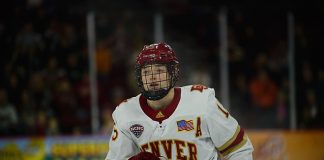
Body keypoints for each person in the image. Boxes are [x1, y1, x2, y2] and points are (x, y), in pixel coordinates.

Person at [105, 43, 254, 160]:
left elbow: (238, 148)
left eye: (159, 71)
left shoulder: (202, 101)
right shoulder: (126, 113)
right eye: (146, 72)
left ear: (173, 73)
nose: (152, 77)